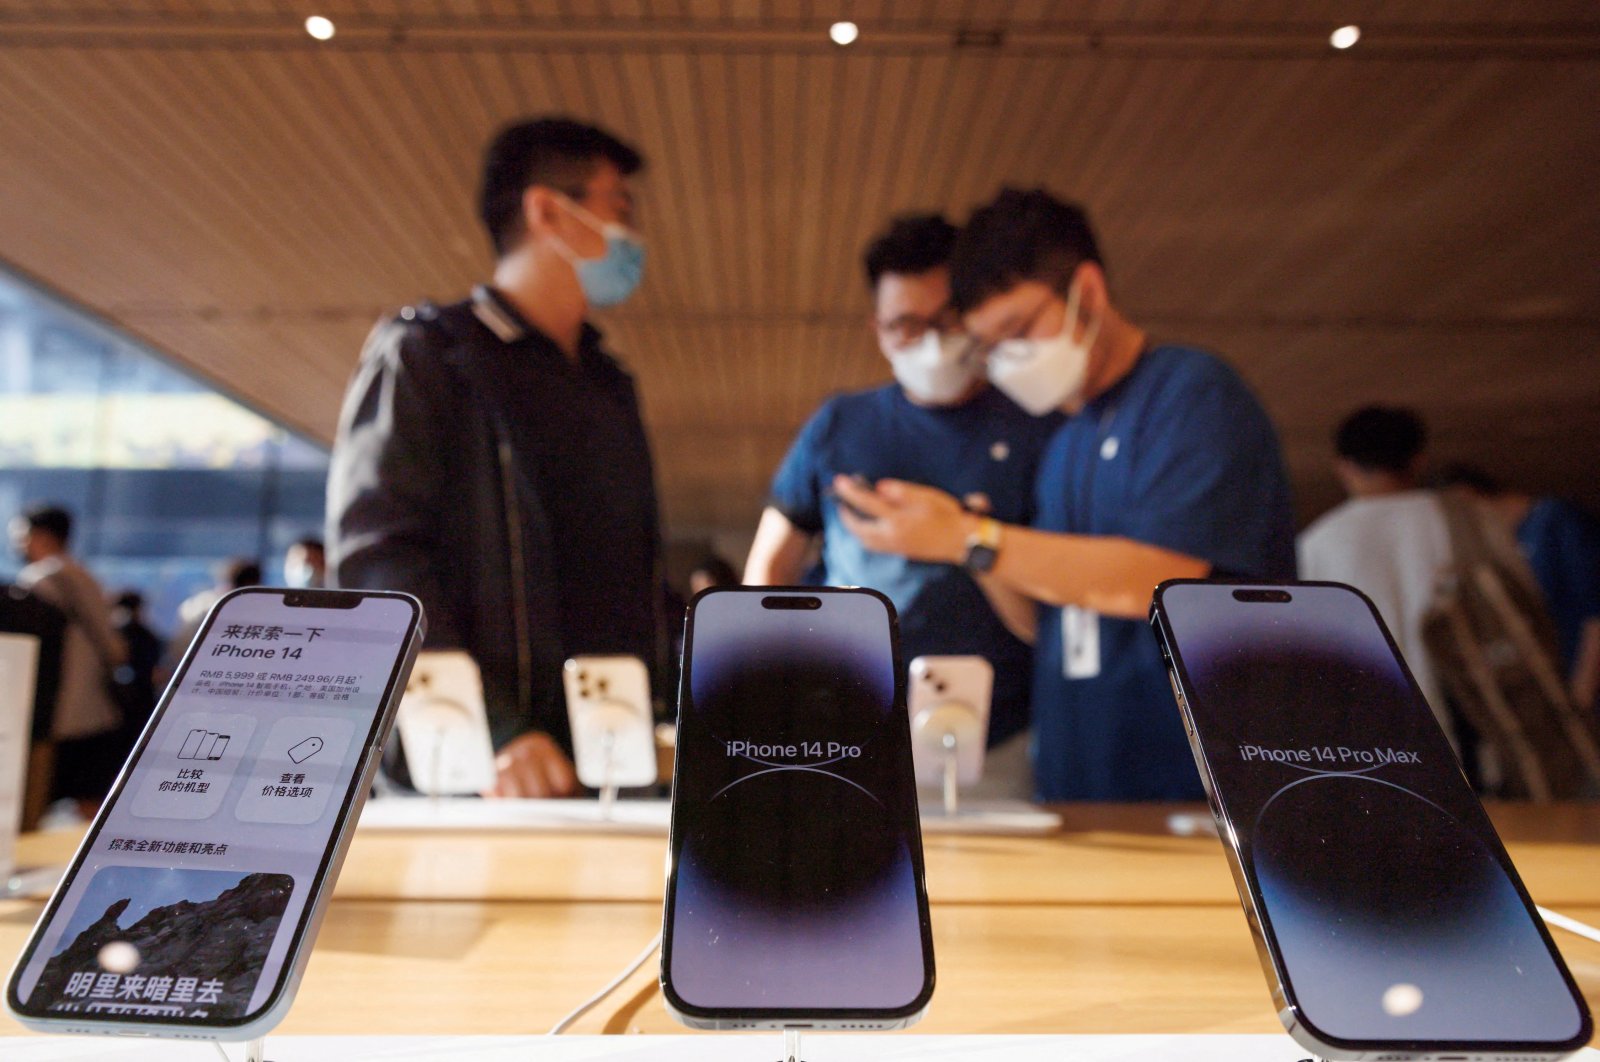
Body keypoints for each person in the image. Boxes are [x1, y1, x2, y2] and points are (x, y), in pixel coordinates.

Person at [832, 189, 1296, 801]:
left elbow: (1158, 581)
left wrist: (973, 537)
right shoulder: (1064, 444)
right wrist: (962, 546)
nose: (1005, 359)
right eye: (989, 347)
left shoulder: (1190, 396)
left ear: (1090, 292)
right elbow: (1040, 623)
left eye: (1018, 329)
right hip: (1075, 781)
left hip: (1195, 789)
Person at [328, 116, 661, 799]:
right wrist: (492, 729)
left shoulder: (606, 380)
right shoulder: (431, 354)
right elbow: (378, 561)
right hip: (477, 767)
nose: (632, 237)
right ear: (548, 211)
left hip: (606, 760)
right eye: (618, 209)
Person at [744, 214, 1061, 789]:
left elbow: (1046, 620)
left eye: (944, 321)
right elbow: (769, 566)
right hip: (845, 722)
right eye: (906, 326)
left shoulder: (1034, 431)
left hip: (998, 739)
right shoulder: (841, 424)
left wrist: (965, 537)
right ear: (878, 328)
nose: (931, 343)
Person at [1298, 407, 1460, 738]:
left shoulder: (1316, 542)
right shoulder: (1461, 522)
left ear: (1344, 467)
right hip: (1472, 720)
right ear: (1419, 460)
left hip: (1368, 729)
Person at [1432, 464, 1600, 715]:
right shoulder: (1505, 543)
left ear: (1466, 497)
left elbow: (1595, 611)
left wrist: (1582, 693)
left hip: (1585, 686)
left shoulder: (1555, 521)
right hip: (1557, 690)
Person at [9, 504, 128, 813]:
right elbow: (115, 648)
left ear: (42, 535)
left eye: (21, 535)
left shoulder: (38, 580)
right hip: (94, 709)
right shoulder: (86, 576)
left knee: (33, 800)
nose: (18, 544)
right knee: (90, 801)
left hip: (52, 711)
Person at [157, 557, 262, 687]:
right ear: (254, 582)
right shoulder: (262, 611)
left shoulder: (199, 605)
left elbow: (178, 648)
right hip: (243, 681)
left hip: (199, 680)